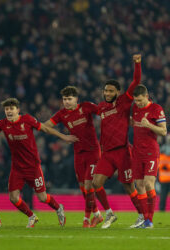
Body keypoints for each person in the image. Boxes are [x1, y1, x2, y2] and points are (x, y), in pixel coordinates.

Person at [0, 98, 78, 228]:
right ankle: (31, 216)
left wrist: (63, 137)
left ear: (18, 110)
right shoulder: (2, 124)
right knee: (13, 197)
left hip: (33, 166)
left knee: (42, 198)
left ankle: (59, 208)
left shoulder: (27, 120)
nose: (9, 111)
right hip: (17, 167)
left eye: (11, 108)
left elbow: (46, 129)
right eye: (7, 109)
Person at [44, 86, 105, 228]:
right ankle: (97, 215)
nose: (66, 102)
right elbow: (44, 126)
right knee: (83, 188)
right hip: (78, 153)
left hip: (93, 152)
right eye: (64, 99)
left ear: (76, 99)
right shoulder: (62, 114)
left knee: (89, 186)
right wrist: (63, 136)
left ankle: (86, 219)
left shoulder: (86, 107)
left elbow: (103, 113)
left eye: (69, 99)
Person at [92, 54, 142, 229]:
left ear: (118, 92)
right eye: (105, 91)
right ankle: (109, 214)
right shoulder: (101, 107)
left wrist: (137, 64)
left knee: (129, 187)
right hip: (106, 153)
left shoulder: (124, 101)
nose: (107, 93)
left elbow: (136, 82)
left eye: (111, 91)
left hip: (122, 152)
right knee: (96, 183)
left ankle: (142, 216)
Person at [131, 84, 167, 228]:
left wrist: (149, 125)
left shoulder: (156, 109)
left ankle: (150, 220)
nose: (138, 103)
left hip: (151, 152)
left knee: (148, 184)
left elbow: (163, 132)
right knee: (138, 185)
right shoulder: (134, 108)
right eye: (136, 101)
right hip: (137, 152)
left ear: (146, 96)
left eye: (140, 100)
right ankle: (145, 219)